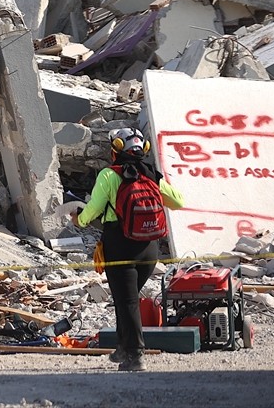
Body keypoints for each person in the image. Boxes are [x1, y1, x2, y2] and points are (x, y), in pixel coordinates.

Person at [73, 128, 184, 372]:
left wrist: (78, 220)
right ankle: (123, 347)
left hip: (120, 245)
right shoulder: (151, 175)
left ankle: (134, 355)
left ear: (116, 150)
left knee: (127, 301)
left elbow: (93, 209)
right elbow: (178, 201)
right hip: (149, 249)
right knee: (127, 299)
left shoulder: (108, 175)